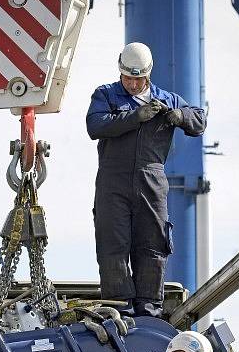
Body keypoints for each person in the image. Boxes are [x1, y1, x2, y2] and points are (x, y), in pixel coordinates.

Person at [86, 42, 206, 318]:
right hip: (112, 181)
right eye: (127, 77)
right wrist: (135, 117)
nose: (130, 83)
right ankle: (118, 310)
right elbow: (96, 125)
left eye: (137, 79)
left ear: (148, 75)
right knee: (113, 243)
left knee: (152, 243)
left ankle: (148, 311)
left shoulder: (168, 99)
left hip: (151, 180)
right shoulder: (106, 95)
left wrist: (181, 116)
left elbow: (199, 121)